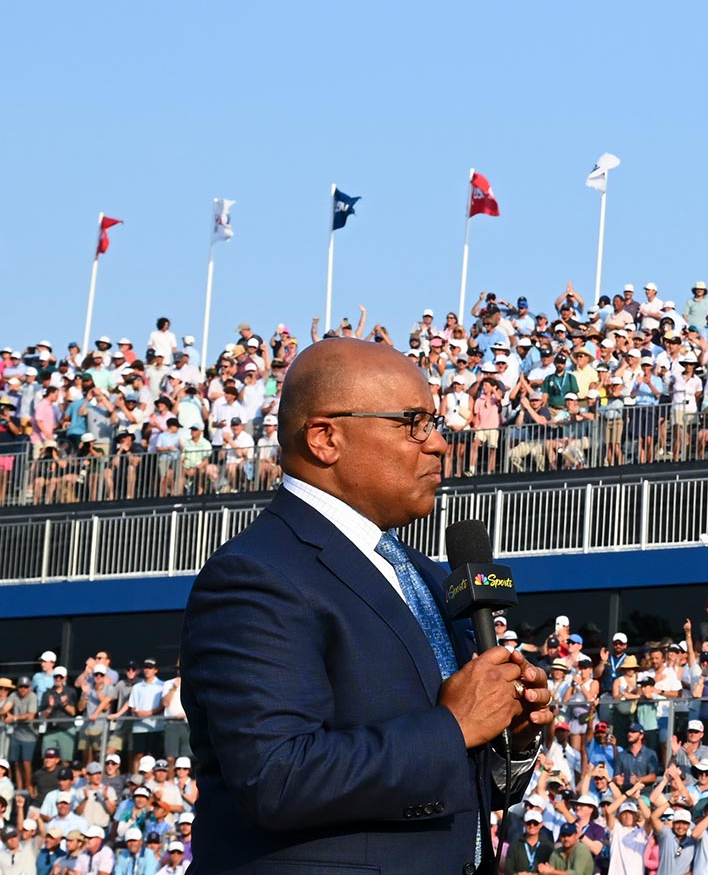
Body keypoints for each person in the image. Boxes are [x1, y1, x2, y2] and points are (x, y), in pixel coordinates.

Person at [178, 338, 556, 873]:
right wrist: (454, 726)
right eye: (414, 422)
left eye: (436, 422)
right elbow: (277, 777)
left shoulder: (423, 572)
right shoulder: (256, 576)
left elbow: (453, 785)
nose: (439, 444)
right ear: (325, 438)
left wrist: (509, 734)